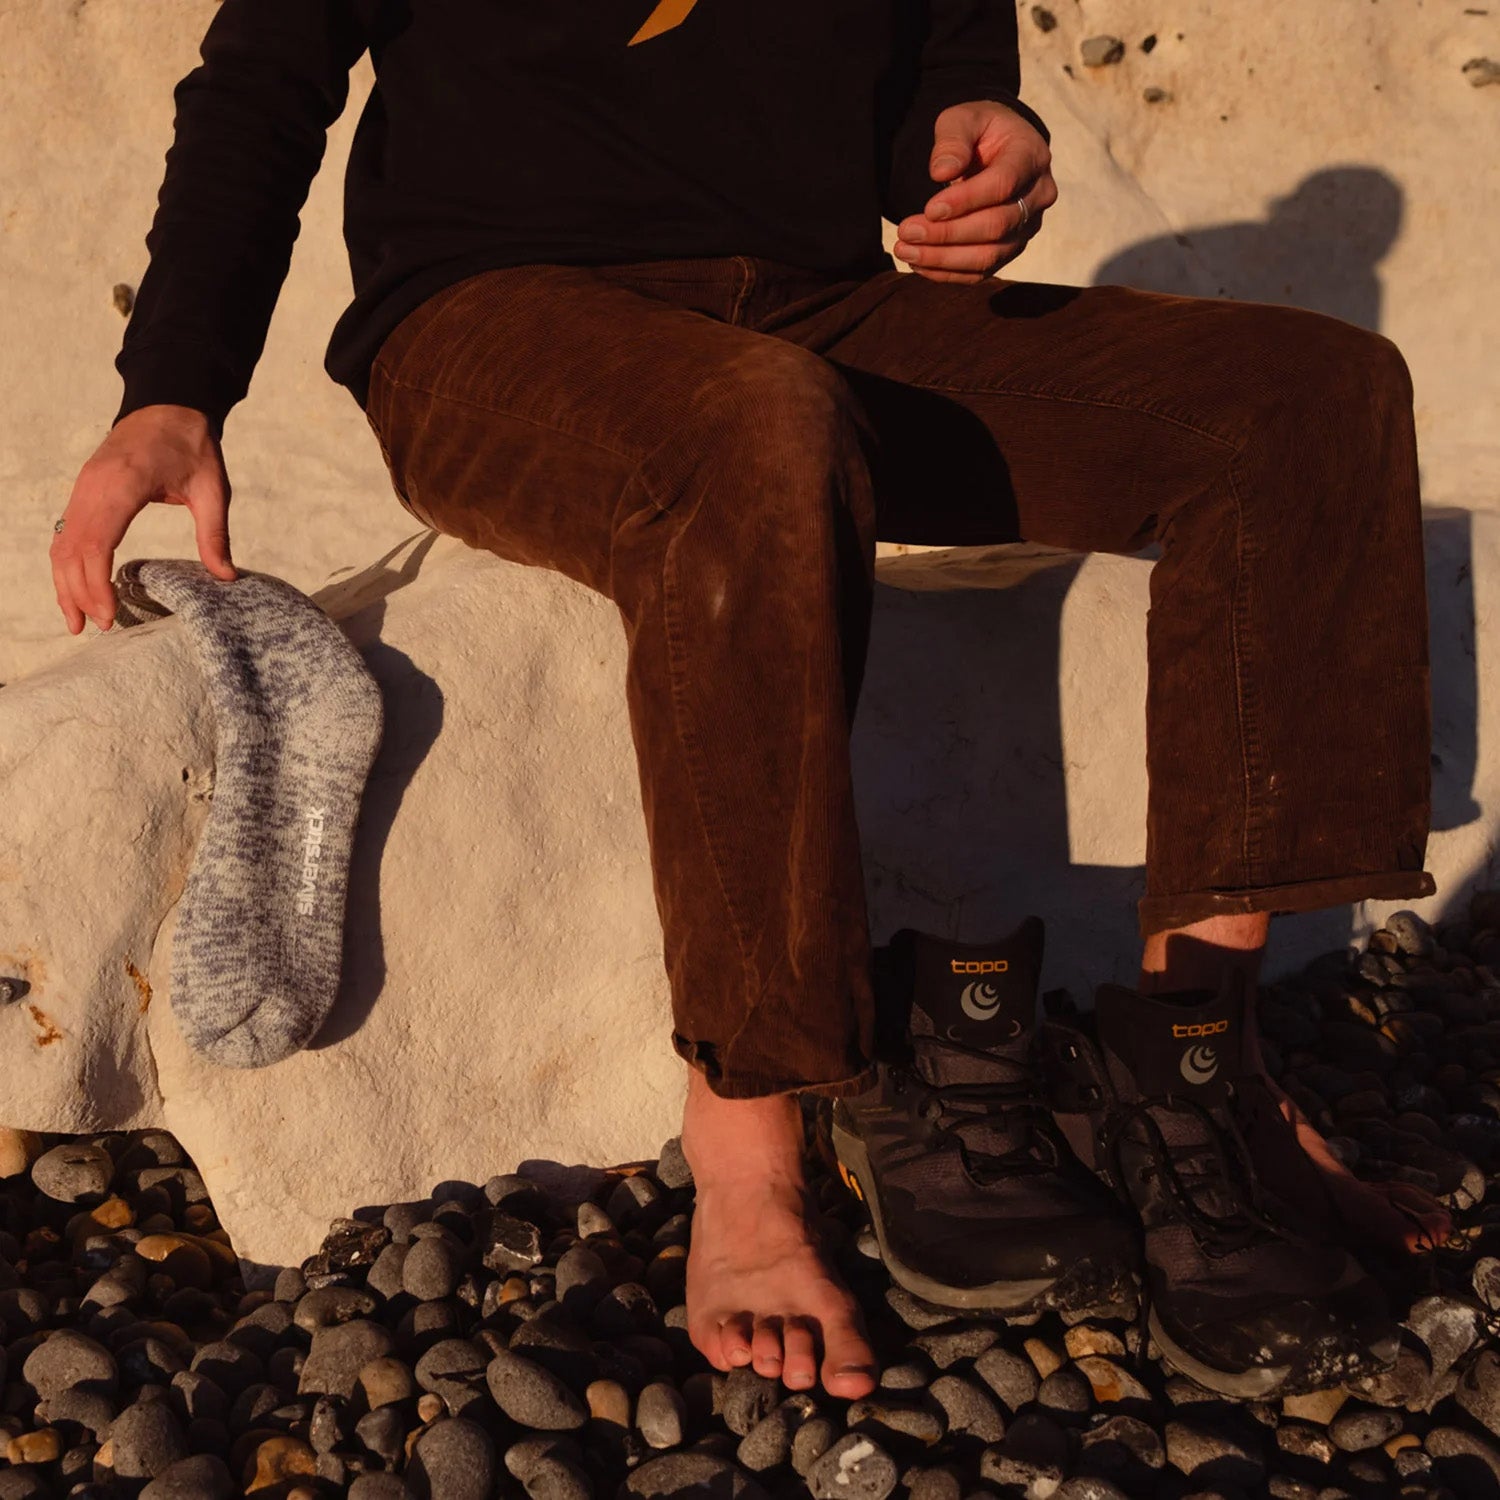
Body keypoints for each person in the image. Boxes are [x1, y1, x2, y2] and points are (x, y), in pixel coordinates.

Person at [54, 0, 1447, 1400]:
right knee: (759, 424)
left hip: (819, 311)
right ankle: (752, 1152)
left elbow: (943, 68)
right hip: (489, 323)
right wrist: (174, 388)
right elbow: (261, 87)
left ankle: (1207, 1079)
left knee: (1301, 400)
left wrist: (982, 146)